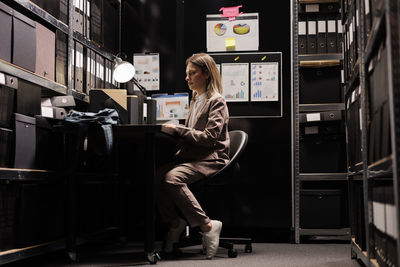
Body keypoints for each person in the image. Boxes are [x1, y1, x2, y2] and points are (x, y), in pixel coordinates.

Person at [156, 53, 230, 259]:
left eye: (192, 73)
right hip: (195, 155)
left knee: (172, 178)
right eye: (187, 74)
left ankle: (207, 226)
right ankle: (175, 223)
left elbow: (209, 138)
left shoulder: (217, 101)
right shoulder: (196, 99)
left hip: (211, 156)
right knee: (156, 176)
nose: (187, 78)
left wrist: (178, 130)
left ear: (206, 73)